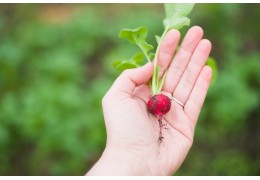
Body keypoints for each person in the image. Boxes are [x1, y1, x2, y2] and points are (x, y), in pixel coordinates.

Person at [87, 26, 212, 176]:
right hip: (158, 102)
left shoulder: (159, 103)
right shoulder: (159, 102)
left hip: (158, 102)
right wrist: (132, 154)